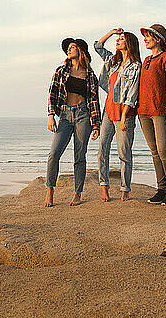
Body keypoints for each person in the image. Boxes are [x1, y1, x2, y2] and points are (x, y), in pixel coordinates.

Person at [45, 38, 100, 207]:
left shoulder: (90, 75)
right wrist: (50, 115)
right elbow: (52, 93)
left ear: (80, 51)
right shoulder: (61, 71)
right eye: (68, 48)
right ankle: (50, 190)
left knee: (79, 156)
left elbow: (94, 100)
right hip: (65, 116)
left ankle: (77, 193)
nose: (69, 50)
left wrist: (96, 124)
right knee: (54, 154)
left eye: (72, 47)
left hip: (83, 115)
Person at [94, 28, 141, 202]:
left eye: (121, 39)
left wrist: (123, 117)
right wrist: (111, 32)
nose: (118, 41)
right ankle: (104, 187)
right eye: (118, 39)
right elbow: (98, 46)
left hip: (124, 114)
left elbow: (132, 94)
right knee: (102, 151)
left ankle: (125, 189)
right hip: (108, 111)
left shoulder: (135, 66)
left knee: (124, 153)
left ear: (129, 43)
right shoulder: (113, 61)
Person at [137, 24, 166, 206]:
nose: (145, 39)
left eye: (148, 36)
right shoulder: (146, 60)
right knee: (154, 151)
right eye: (145, 36)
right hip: (143, 111)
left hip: (160, 110)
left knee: (163, 149)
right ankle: (161, 189)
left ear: (158, 39)